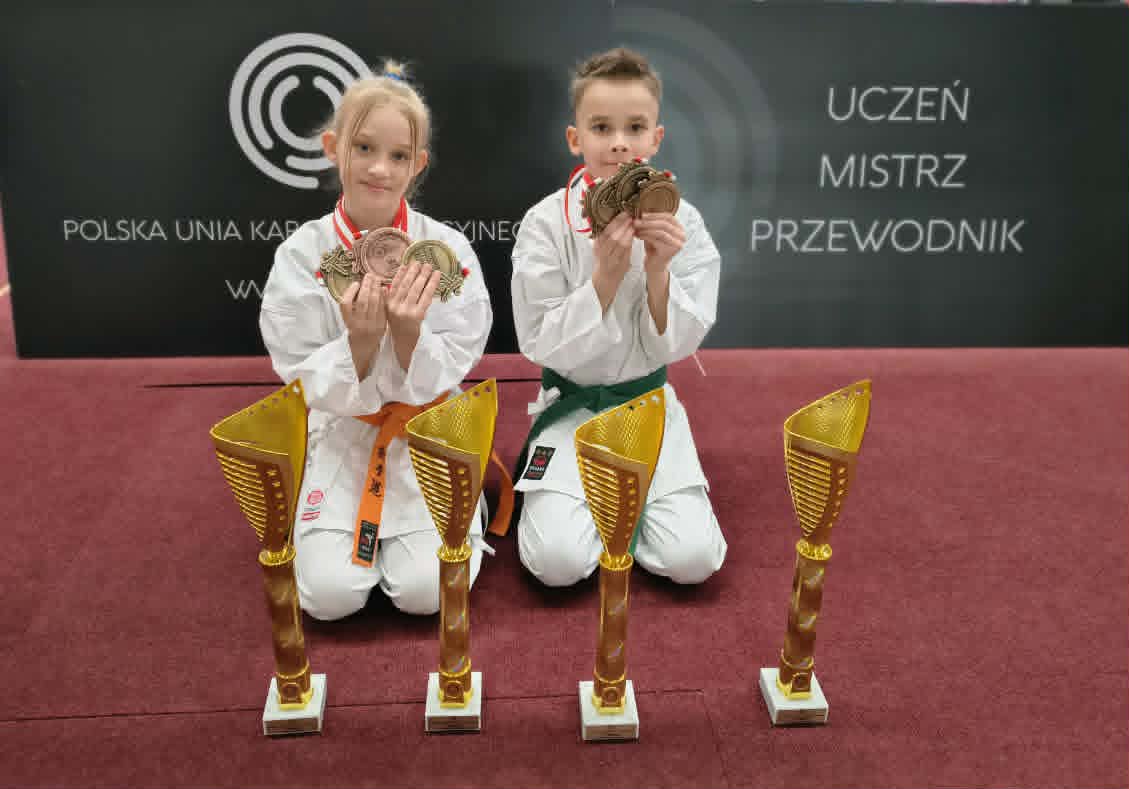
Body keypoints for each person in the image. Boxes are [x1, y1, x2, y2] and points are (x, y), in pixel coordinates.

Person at [260, 61, 495, 620]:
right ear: (332, 147)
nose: (379, 169)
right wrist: (359, 347)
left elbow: (463, 347)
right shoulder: (303, 253)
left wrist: (409, 334)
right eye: (363, 148)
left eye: (398, 156)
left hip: (426, 428)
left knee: (427, 594)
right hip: (345, 432)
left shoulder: (445, 249)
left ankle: (467, 507)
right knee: (328, 599)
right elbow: (295, 365)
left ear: (418, 164)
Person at [510, 47, 727, 587]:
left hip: (648, 404)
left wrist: (658, 271)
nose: (619, 143)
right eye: (601, 127)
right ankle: (584, 509)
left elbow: (682, 341)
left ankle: (633, 509)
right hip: (572, 405)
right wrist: (604, 278)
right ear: (575, 138)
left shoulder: (682, 221)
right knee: (556, 565)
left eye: (635, 127)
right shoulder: (545, 223)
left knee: (694, 561)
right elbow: (537, 341)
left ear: (656, 137)